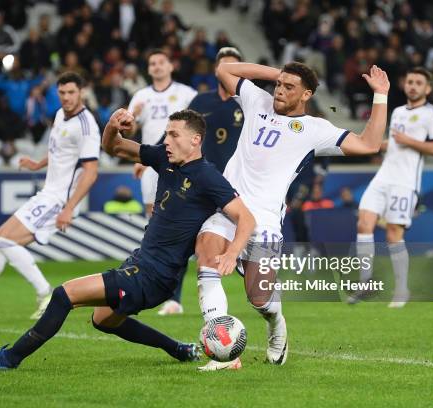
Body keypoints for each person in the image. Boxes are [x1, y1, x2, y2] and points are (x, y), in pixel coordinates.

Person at [0, 108, 256, 370]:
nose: (166, 140)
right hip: (142, 264)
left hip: (155, 275)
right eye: (166, 133)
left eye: (173, 134)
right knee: (103, 320)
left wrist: (231, 254)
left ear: (195, 140)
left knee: (63, 295)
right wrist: (113, 125)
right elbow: (113, 147)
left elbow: (246, 218)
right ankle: (178, 349)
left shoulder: (208, 177)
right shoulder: (163, 159)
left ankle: (10, 358)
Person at [195, 61, 390, 370]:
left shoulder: (315, 129)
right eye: (279, 85)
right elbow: (223, 69)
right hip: (227, 208)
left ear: (306, 94)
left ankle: (277, 326)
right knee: (206, 250)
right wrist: (278, 73)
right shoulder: (257, 99)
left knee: (259, 299)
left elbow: (369, 144)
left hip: (265, 220)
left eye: (289, 87)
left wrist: (381, 95)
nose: (279, 91)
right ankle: (223, 350)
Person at [0, 72, 100, 320]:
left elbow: (91, 172)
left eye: (71, 93)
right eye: (62, 93)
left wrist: (69, 208)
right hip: (49, 193)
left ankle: (46, 293)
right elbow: (61, 151)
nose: (66, 98)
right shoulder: (59, 115)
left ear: (81, 93)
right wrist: (38, 164)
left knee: (4, 240)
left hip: (59, 200)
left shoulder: (86, 125)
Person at [158, 47, 244, 316]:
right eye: (224, 67)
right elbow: (179, 134)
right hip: (200, 182)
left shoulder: (249, 104)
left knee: (241, 238)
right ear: (217, 70)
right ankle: (173, 298)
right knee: (185, 236)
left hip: (236, 186)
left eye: (235, 67)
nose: (230, 72)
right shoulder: (201, 102)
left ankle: (260, 292)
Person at [351, 67, 433, 308]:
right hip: (383, 176)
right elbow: (394, 144)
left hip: (404, 182)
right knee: (363, 222)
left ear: (427, 88)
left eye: (418, 83)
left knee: (394, 234)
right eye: (410, 81)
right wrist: (373, 144)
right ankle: (365, 283)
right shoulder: (398, 112)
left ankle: (402, 290)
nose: (413, 86)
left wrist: (408, 141)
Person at [126, 49, 197, 217]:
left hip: (182, 161)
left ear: (171, 66)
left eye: (161, 62)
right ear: (149, 70)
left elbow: (200, 125)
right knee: (152, 212)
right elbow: (130, 133)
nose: (157, 66)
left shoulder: (187, 94)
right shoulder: (140, 96)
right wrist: (132, 117)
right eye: (152, 64)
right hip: (152, 162)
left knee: (183, 210)